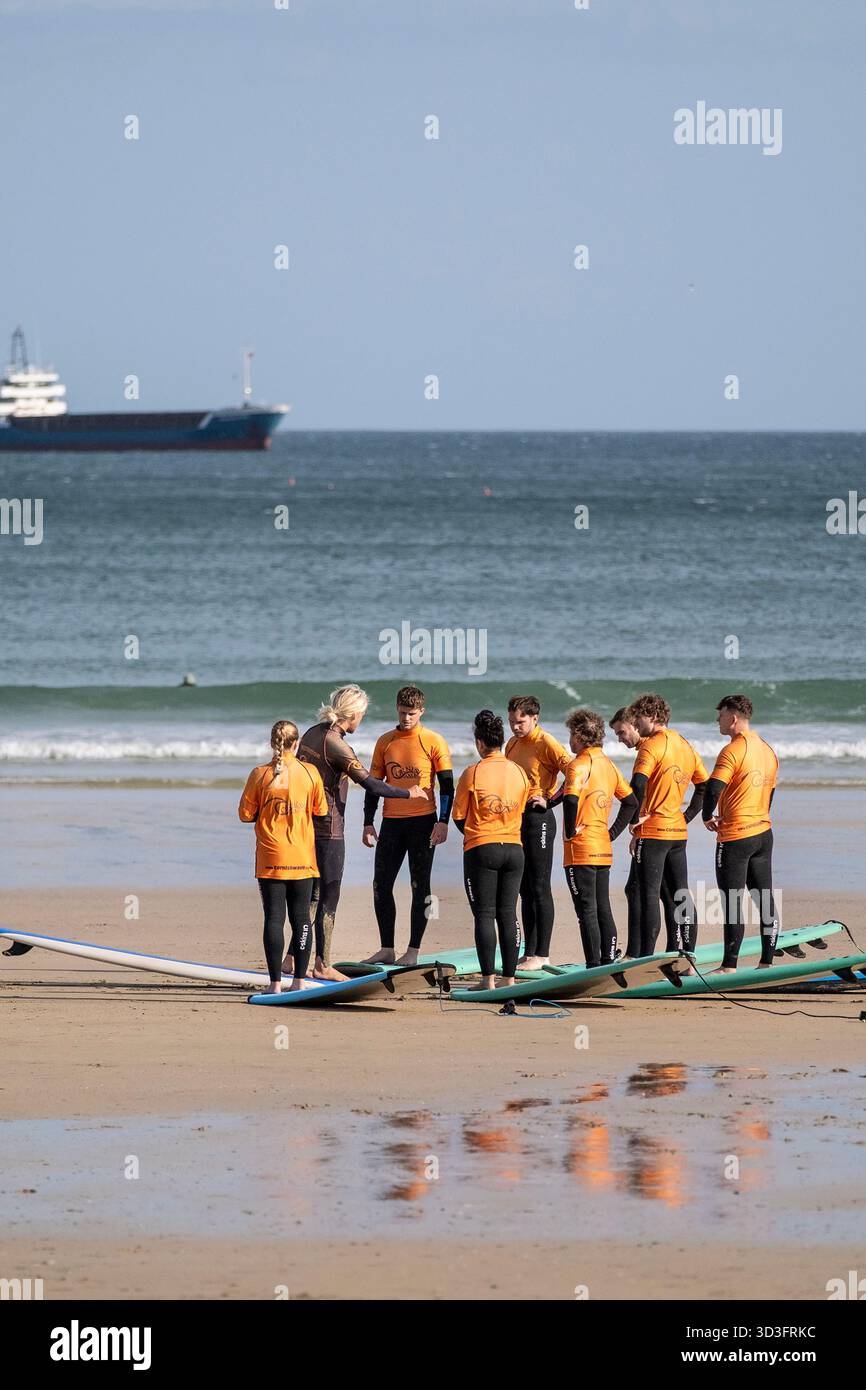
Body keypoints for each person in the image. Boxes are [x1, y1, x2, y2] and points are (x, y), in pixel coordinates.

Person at [297, 684, 427, 978]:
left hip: (305, 826)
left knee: (310, 897)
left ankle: (293, 959)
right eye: (362, 715)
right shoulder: (337, 744)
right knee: (329, 895)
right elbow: (370, 783)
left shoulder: (311, 733)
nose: (362, 720)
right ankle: (323, 965)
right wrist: (409, 793)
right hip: (329, 829)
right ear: (352, 714)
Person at [362, 685, 454, 966]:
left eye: (412, 714)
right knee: (381, 884)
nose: (406, 719)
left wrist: (443, 822)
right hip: (391, 823)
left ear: (421, 711)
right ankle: (387, 948)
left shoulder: (433, 741)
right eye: (402, 713)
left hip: (423, 822)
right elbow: (374, 785)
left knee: (420, 887)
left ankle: (413, 951)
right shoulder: (386, 742)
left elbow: (447, 785)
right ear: (396, 709)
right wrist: (368, 822)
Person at [238, 720, 328, 994]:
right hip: (302, 857)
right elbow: (320, 810)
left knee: (274, 918)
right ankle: (299, 981)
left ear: (271, 744)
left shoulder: (259, 774)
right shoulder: (310, 772)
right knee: (301, 917)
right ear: (297, 743)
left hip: (271, 857)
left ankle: (275, 984)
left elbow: (244, 815)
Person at [626, 693, 709, 956]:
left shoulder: (651, 746)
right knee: (680, 894)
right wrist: (687, 816)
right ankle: (684, 952)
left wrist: (633, 819)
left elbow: (638, 784)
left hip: (653, 832)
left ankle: (646, 959)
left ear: (652, 716)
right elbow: (704, 786)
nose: (636, 724)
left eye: (638, 718)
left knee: (649, 895)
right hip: (677, 832)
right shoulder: (685, 744)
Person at [453, 710, 530, 990]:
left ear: (479, 743)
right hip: (514, 849)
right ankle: (509, 979)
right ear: (500, 740)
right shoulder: (519, 772)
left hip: (482, 849)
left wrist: (480, 836)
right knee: (508, 913)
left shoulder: (473, 773)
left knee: (485, 914)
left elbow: (459, 816)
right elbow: (520, 809)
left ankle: (487, 981)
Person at [702, 694, 780, 970]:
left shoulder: (733, 750)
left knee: (732, 900)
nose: (717, 720)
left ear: (733, 718)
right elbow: (769, 792)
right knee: (764, 897)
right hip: (763, 833)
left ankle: (729, 965)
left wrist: (706, 815)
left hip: (735, 836)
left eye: (721, 715)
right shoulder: (768, 749)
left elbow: (713, 787)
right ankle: (766, 962)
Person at [562, 709, 637, 967]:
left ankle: (593, 966)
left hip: (580, 850)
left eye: (572, 734)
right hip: (603, 848)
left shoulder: (578, 765)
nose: (570, 740)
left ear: (582, 735)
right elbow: (631, 802)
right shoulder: (609, 765)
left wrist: (570, 831)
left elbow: (571, 798)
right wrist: (612, 833)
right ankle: (608, 959)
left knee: (587, 911)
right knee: (602, 906)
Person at [504, 695, 574, 970]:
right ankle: (529, 952)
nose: (515, 727)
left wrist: (551, 800)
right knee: (524, 888)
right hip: (516, 819)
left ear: (534, 718)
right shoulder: (512, 744)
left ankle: (542, 954)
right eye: (511, 721)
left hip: (540, 819)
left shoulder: (546, 742)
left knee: (539, 886)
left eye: (520, 722)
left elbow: (575, 773)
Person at [609, 707, 679, 958]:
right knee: (665, 892)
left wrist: (634, 825)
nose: (620, 738)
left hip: (654, 831)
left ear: (635, 725)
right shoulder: (667, 744)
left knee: (642, 891)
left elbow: (639, 789)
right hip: (672, 829)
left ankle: (639, 955)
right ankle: (675, 950)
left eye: (622, 732)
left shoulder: (650, 749)